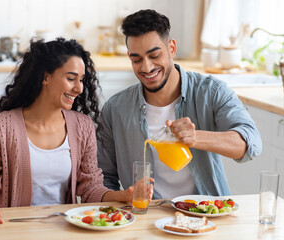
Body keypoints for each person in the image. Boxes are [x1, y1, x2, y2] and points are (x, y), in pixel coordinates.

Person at [0, 38, 151, 239]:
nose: (79, 88)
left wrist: (122, 196)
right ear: (45, 77)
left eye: (81, 80)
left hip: (64, 232)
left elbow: (90, 187)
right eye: (71, 78)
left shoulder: (83, 126)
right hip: (14, 230)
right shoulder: (2, 126)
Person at [97, 9, 262, 199]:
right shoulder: (115, 108)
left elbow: (251, 143)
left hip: (206, 216)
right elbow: (104, 177)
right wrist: (125, 200)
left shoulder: (212, 91)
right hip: (146, 218)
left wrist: (195, 138)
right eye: (136, 59)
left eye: (155, 55)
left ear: (172, 48)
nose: (146, 67)